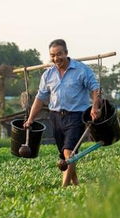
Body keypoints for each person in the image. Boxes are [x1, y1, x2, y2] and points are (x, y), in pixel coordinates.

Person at [24, 39, 101, 187]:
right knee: (64, 153)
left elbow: (95, 89)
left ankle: (63, 188)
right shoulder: (48, 74)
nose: (56, 58)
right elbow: (40, 98)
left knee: (68, 152)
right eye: (52, 55)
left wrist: (95, 107)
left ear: (66, 53)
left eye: (59, 54)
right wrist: (30, 119)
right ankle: (76, 184)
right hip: (55, 116)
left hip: (76, 116)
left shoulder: (81, 70)